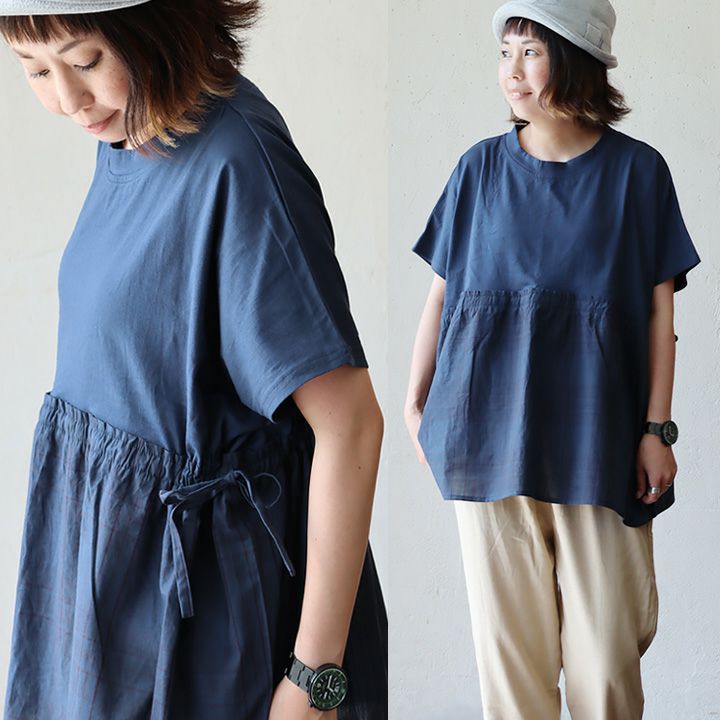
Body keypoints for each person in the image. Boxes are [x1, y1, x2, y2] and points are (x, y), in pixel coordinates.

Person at [0, 1, 387, 718]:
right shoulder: (128, 131)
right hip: (105, 604)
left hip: (206, 631)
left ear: (160, 26)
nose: (67, 99)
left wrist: (314, 678)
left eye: (85, 61)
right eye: (34, 70)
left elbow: (351, 426)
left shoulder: (239, 162)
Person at [404, 0, 701, 717]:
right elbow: (442, 299)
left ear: (577, 59)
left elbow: (660, 316)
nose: (511, 71)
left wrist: (656, 429)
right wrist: (415, 406)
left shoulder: (638, 174)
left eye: (531, 52)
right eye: (505, 52)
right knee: (511, 675)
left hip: (599, 446)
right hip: (485, 447)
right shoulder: (478, 170)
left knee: (606, 669)